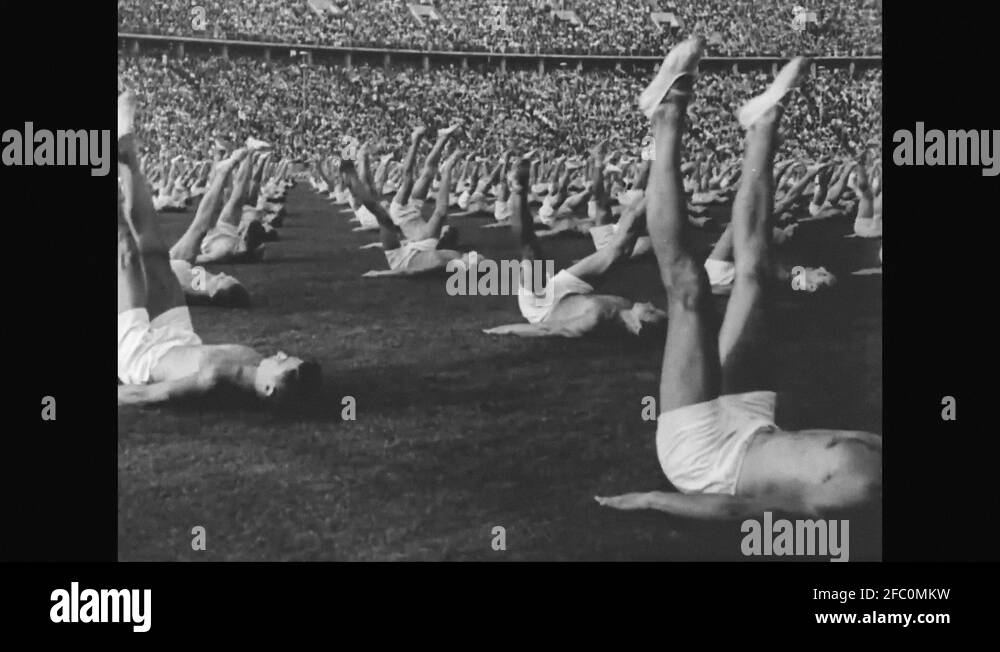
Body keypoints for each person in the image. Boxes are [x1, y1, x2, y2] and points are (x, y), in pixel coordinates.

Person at [595, 41, 880, 519]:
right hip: (754, 422)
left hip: (708, 459)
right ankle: (762, 126)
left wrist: (653, 500)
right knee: (755, 275)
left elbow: (746, 511)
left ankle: (666, 114)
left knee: (690, 290)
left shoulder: (862, 491)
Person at [117, 91, 320, 406]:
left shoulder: (215, 379)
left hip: (141, 357)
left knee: (127, 249)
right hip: (178, 336)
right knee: (155, 252)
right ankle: (126, 151)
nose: (282, 353)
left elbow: (150, 393)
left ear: (269, 388)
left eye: (285, 364)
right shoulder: (254, 363)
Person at [483, 155, 665, 338]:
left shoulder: (596, 318)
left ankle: (518, 189)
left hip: (542, 307)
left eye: (652, 311)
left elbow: (549, 329)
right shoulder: (627, 309)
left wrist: (502, 330)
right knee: (618, 252)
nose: (651, 304)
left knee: (531, 251)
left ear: (639, 326)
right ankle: (655, 188)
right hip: (570, 294)